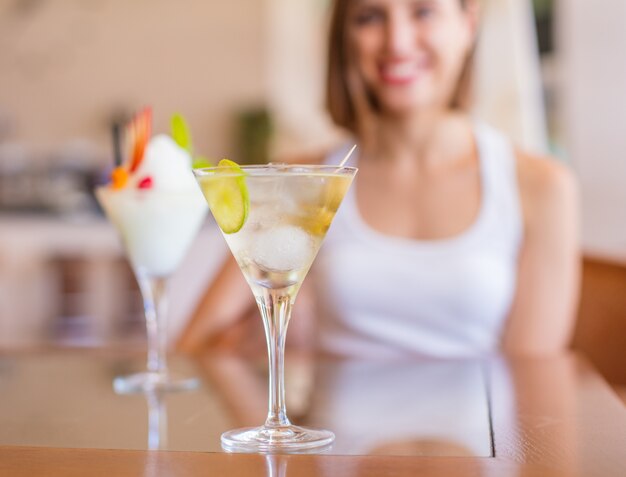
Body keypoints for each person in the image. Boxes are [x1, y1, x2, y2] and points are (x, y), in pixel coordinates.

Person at [178, 0, 580, 358]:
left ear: (467, 22)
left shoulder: (542, 186)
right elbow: (197, 340)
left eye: (423, 11)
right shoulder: (302, 180)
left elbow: (534, 382)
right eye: (369, 17)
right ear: (344, 38)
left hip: (484, 441)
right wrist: (273, 429)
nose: (398, 42)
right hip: (337, 442)